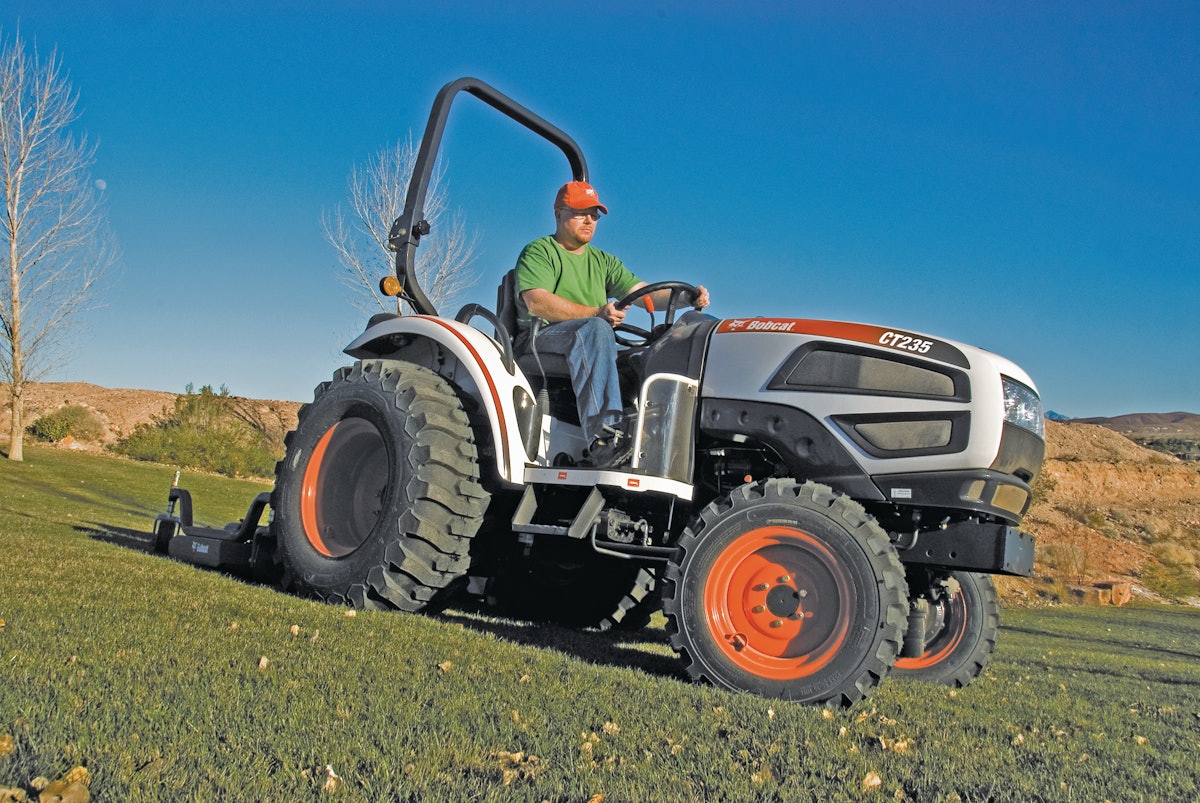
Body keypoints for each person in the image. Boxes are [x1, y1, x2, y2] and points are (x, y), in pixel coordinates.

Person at [514, 180, 710, 467]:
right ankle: (604, 438)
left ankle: (654, 437)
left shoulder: (603, 261)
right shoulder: (540, 251)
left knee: (648, 354)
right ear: (558, 213)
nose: (589, 220)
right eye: (581, 212)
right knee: (596, 329)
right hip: (540, 336)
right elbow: (537, 302)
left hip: (589, 337)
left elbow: (644, 293)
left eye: (594, 215)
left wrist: (686, 298)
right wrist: (596, 313)